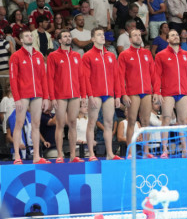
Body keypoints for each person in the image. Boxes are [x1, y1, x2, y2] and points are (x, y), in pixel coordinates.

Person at [9, 30, 49, 164]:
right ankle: (17, 157)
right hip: (23, 95)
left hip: (37, 94)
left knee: (36, 124)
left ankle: (36, 156)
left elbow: (43, 78)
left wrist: (46, 97)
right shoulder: (16, 56)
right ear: (21, 39)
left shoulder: (38, 55)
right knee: (19, 123)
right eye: (26, 36)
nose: (29, 37)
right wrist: (17, 98)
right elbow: (13, 78)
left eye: (31, 35)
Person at [153, 29, 187, 158]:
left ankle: (184, 150)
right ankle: (164, 150)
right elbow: (157, 75)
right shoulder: (161, 55)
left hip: (182, 91)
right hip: (167, 92)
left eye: (177, 35)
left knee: (183, 120)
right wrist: (157, 91)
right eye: (172, 35)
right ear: (167, 39)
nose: (176, 36)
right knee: (166, 118)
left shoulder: (186, 54)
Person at [82, 27, 122, 161]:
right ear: (93, 38)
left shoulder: (111, 55)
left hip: (109, 94)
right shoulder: (88, 55)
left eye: (103, 35)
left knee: (109, 123)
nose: (102, 37)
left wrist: (118, 95)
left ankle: (110, 153)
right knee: (92, 123)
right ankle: (92, 154)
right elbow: (85, 77)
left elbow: (116, 76)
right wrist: (90, 95)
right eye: (99, 35)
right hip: (96, 94)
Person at [47, 30, 85, 163]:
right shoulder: (53, 56)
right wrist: (52, 97)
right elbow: (50, 78)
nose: (68, 38)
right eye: (65, 36)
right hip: (60, 96)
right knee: (60, 124)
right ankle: (59, 155)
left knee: (73, 123)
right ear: (60, 40)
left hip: (74, 95)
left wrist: (83, 95)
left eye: (69, 36)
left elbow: (81, 77)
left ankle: (73, 155)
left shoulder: (76, 56)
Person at [118, 29, 155, 159]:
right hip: (132, 92)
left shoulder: (147, 53)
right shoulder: (124, 55)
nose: (138, 37)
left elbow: (153, 74)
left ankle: (146, 151)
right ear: (130, 39)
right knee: (132, 121)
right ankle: (129, 151)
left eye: (139, 35)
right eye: (135, 35)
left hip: (146, 92)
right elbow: (120, 76)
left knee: (146, 122)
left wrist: (156, 91)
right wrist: (123, 94)